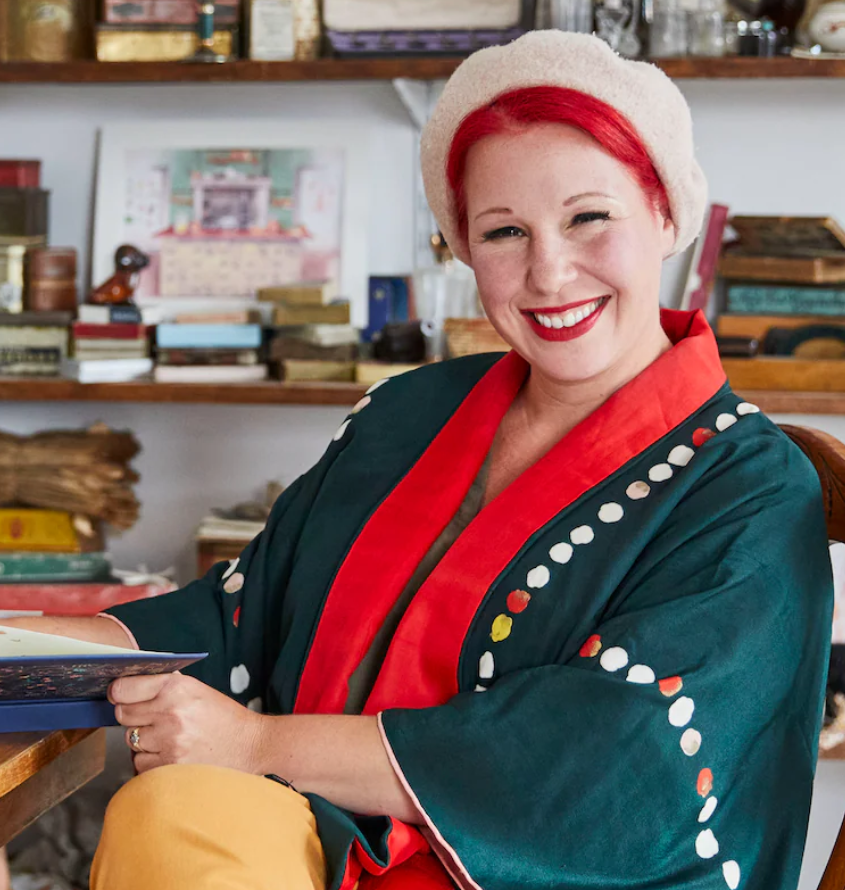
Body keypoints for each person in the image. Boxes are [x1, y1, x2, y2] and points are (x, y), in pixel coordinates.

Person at [3, 31, 832, 890]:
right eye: (503, 231)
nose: (548, 272)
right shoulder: (407, 413)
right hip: (319, 846)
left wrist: (255, 744)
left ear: (664, 214)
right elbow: (239, 619)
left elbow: (608, 761)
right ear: (463, 247)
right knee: (174, 812)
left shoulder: (751, 491)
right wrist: (16, 644)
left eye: (588, 217)